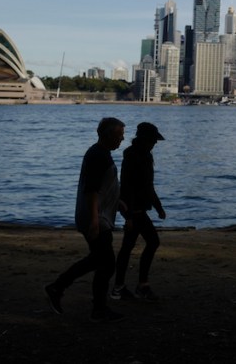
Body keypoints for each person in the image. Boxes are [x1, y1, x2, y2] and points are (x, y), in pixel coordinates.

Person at [45, 117, 127, 322]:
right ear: (107, 135)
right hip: (96, 216)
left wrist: (117, 203)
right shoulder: (98, 155)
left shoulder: (100, 153)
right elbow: (91, 191)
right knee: (104, 262)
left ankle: (94, 306)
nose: (122, 139)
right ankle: (61, 288)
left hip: (99, 215)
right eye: (119, 135)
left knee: (102, 262)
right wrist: (94, 220)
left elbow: (102, 188)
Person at [112, 121, 167, 302]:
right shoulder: (136, 157)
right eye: (153, 140)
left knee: (129, 247)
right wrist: (130, 215)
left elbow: (144, 186)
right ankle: (139, 285)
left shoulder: (140, 155)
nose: (155, 143)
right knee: (151, 241)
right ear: (145, 140)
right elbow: (130, 187)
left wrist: (157, 207)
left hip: (135, 208)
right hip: (134, 209)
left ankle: (121, 286)